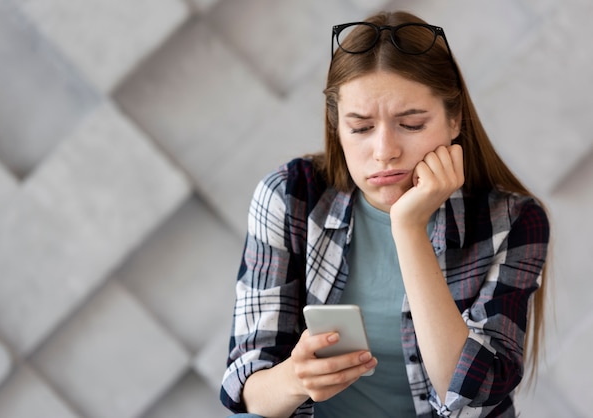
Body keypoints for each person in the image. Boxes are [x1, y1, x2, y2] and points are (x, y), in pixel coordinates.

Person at [220, 10, 550, 418]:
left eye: (410, 124)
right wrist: (295, 379)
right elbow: (245, 394)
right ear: (337, 128)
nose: (384, 151)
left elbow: (470, 397)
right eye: (360, 128)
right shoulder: (290, 197)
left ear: (454, 119)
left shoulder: (513, 220)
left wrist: (409, 228)